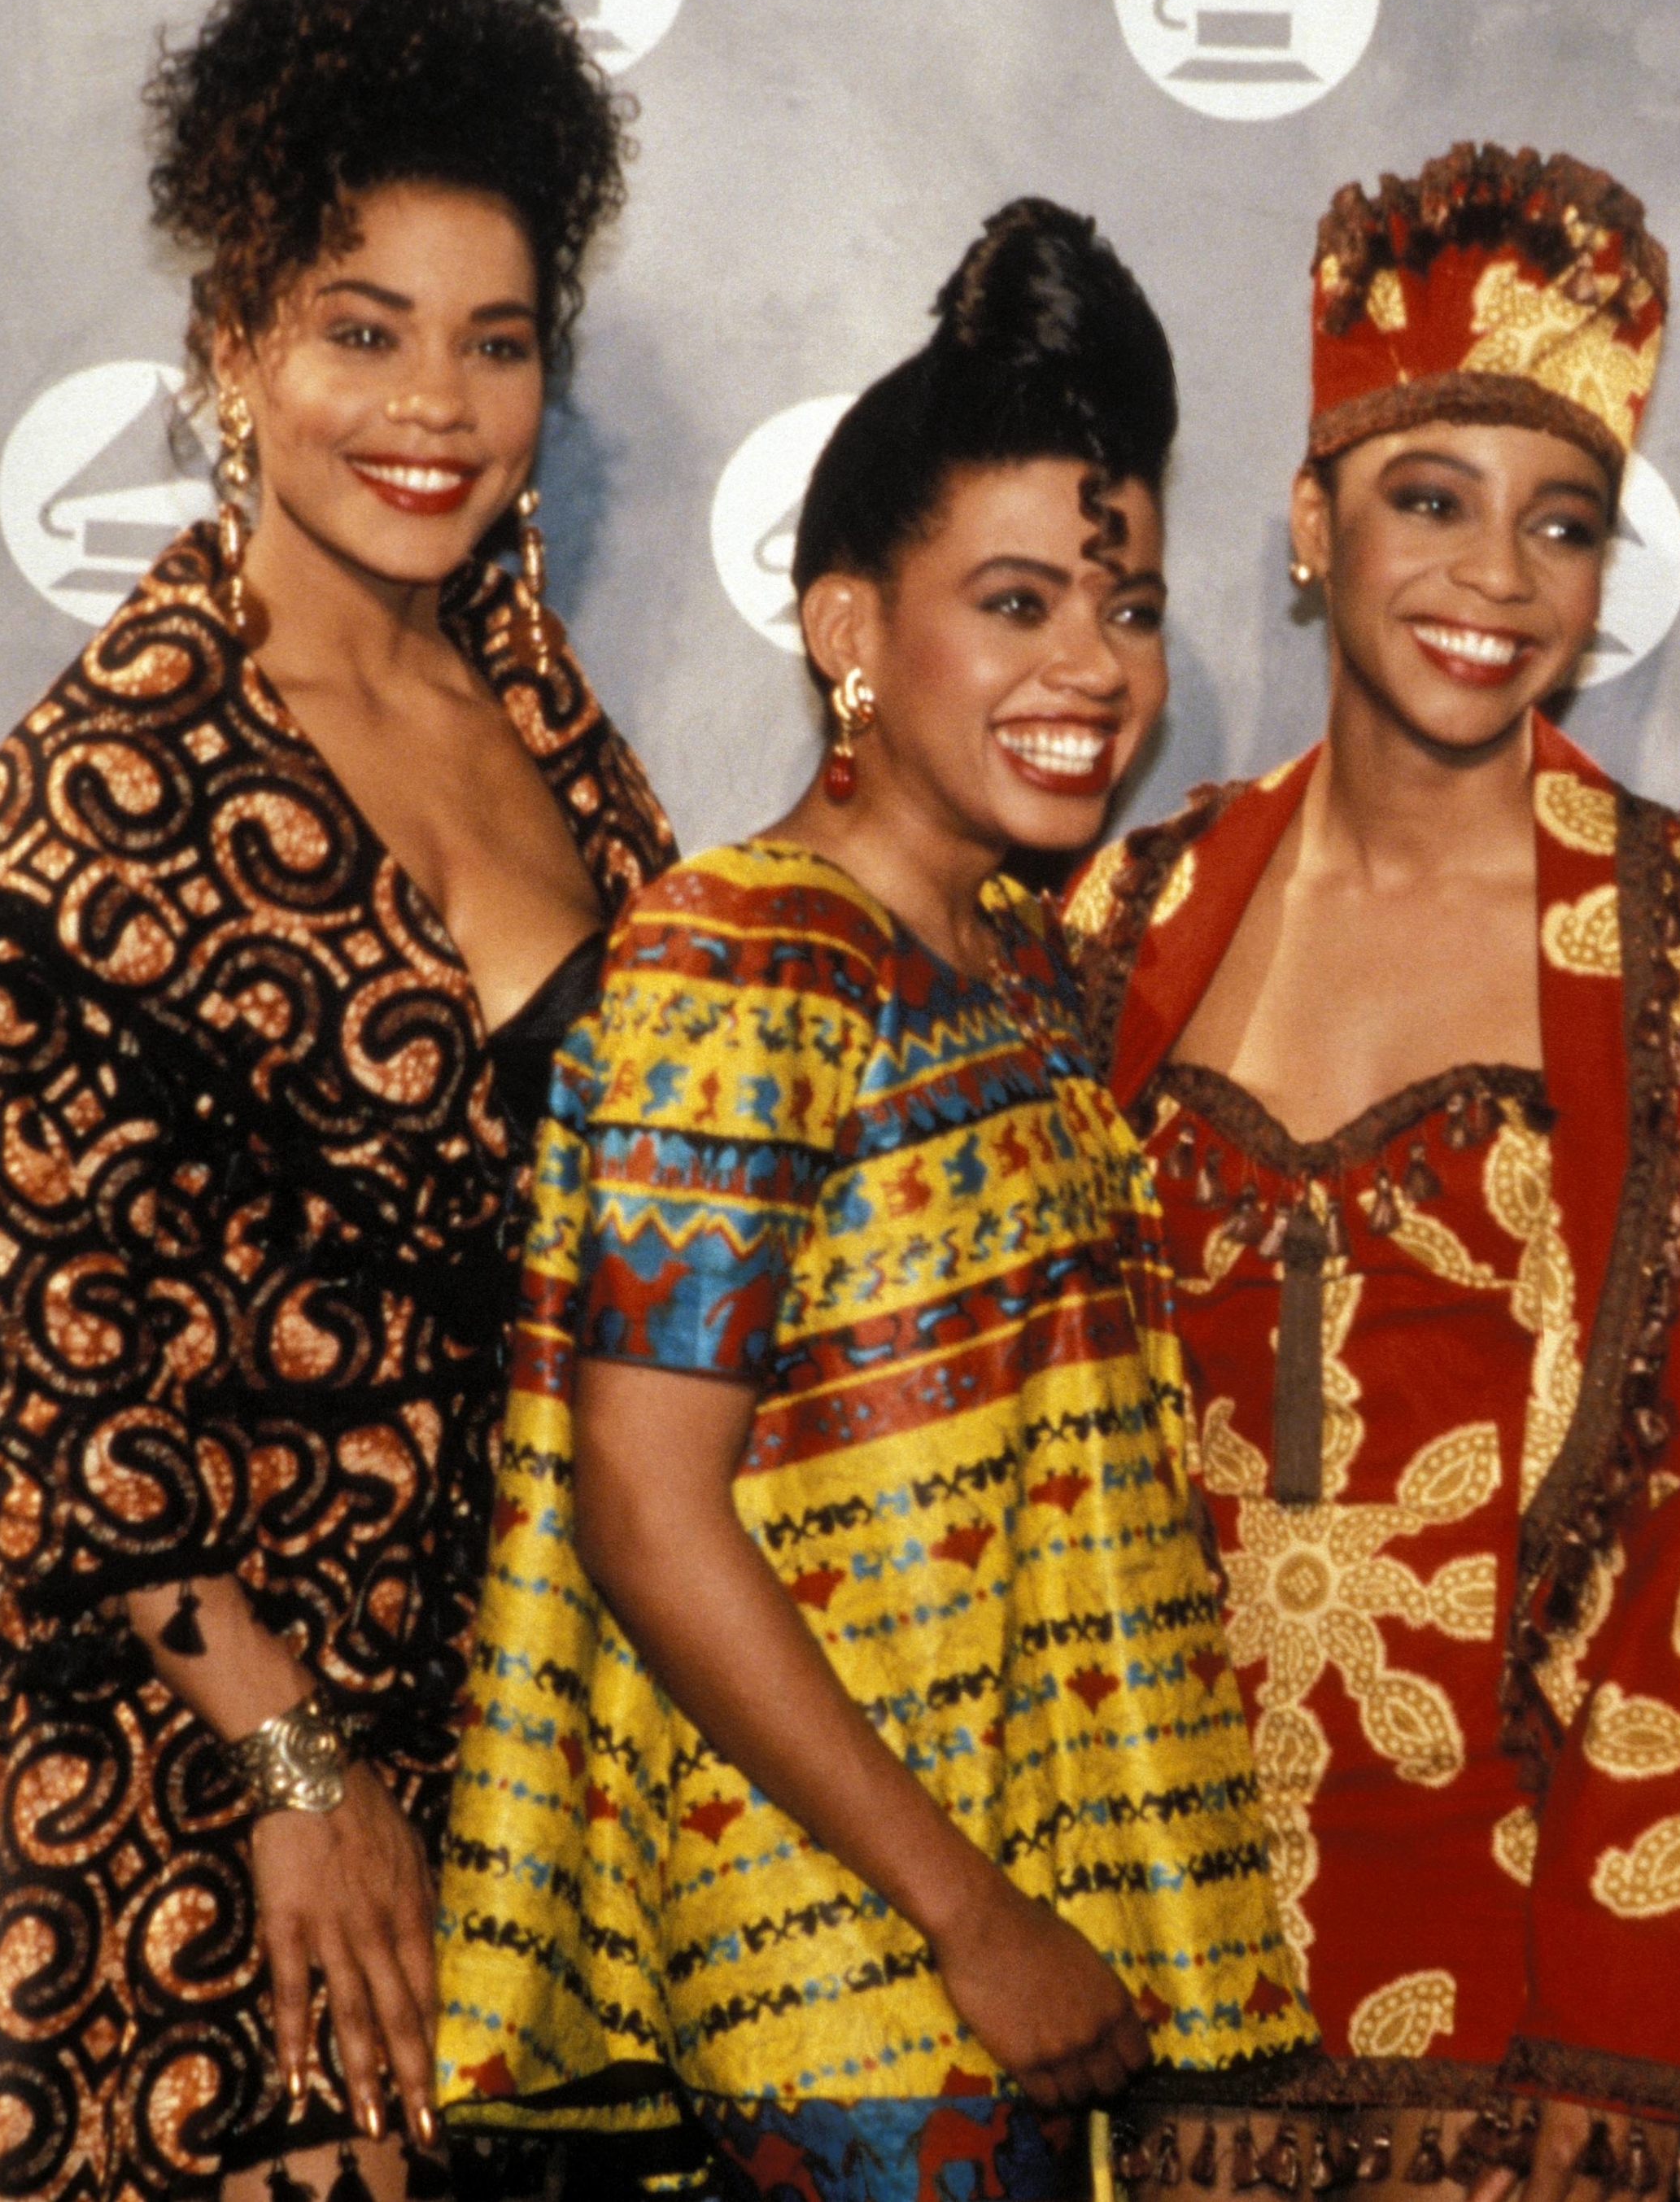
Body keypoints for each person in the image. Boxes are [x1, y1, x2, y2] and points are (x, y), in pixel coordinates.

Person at [0, 0, 676, 2202]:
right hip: (193, 1808)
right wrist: (301, 1766)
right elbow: (39, 1372)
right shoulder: (94, 791)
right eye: (363, 330)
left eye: (498, 345)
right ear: (232, 347)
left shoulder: (537, 708)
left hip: (520, 1758)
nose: (436, 407)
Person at [433, 200, 1315, 2202]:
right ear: (848, 625)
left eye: (1129, 606)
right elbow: (647, 1512)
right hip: (848, 1987)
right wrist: (966, 1909)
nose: (1089, 666)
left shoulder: (1009, 966)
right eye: (1014, 603)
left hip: (1025, 1976)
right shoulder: (749, 951)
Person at [1063, 144, 1680, 2202]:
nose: (1494, 576)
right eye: (1430, 496)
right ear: (1309, 522)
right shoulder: (1114, 918)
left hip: (1525, 2044)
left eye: (1562, 523)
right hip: (1120, 1992)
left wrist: (1617, 2092)